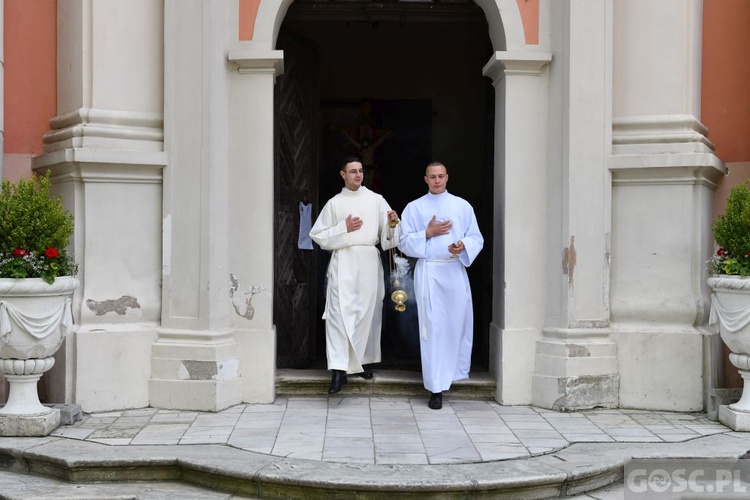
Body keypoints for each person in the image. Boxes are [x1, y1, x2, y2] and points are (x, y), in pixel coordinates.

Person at [310, 157, 400, 394]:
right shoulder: (334, 203)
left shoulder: (376, 200)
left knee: (367, 313)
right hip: (344, 261)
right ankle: (338, 371)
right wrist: (344, 228)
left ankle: (361, 362)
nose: (358, 175)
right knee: (339, 314)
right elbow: (318, 235)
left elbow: (389, 236)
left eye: (360, 171)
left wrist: (393, 223)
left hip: (369, 260)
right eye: (353, 171)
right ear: (343, 175)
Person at [398, 162, 484, 409]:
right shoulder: (415, 208)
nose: (437, 181)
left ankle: (453, 374)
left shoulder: (462, 206)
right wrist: (427, 233)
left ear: (447, 177)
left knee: (456, 323)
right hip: (430, 272)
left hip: (454, 270)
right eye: (432, 177)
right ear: (425, 179)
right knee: (433, 328)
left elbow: (476, 237)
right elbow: (403, 242)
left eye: (441, 176)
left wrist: (462, 246)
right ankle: (436, 388)